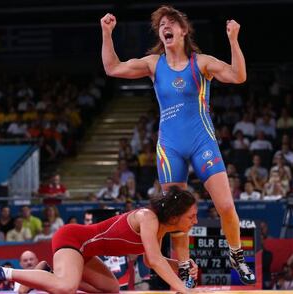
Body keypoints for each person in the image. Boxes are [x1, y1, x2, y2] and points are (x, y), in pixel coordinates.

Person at [100, 5, 255, 285]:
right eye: (161, 24)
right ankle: (184, 268)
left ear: (183, 30)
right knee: (175, 214)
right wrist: (107, 33)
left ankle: (236, 253)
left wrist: (233, 40)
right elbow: (112, 68)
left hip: (201, 142)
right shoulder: (153, 63)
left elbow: (238, 76)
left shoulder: (201, 62)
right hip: (169, 147)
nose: (165, 26)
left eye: (171, 22)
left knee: (226, 206)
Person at [0, 186, 198, 293]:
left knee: (111, 290)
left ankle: (47, 274)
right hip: (73, 239)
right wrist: (184, 289)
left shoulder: (159, 228)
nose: (195, 221)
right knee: (66, 287)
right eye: (191, 216)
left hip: (86, 252)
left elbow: (151, 262)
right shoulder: (147, 217)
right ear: (174, 216)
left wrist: (180, 267)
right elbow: (156, 260)